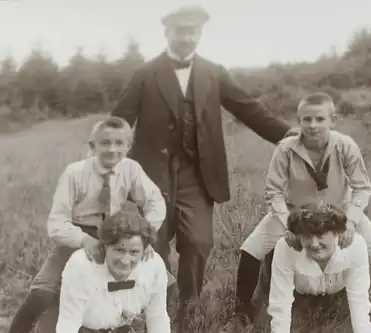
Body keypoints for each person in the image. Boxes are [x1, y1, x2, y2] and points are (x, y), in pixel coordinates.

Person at [110, 4, 292, 329]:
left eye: (192, 31)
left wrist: (291, 134)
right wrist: (106, 160)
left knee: (198, 242)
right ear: (168, 33)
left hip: (199, 175)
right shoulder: (146, 73)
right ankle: (158, 310)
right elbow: (120, 119)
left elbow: (248, 109)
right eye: (180, 31)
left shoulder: (213, 71)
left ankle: (188, 307)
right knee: (154, 241)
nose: (186, 37)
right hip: (152, 175)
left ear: (200, 34)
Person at [222, 92, 371, 332]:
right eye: (306, 119)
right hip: (295, 212)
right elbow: (273, 192)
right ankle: (241, 313)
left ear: (333, 120)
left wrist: (350, 222)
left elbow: (362, 188)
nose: (313, 126)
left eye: (320, 119)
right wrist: (288, 223)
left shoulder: (345, 146)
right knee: (251, 247)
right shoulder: (286, 149)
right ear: (298, 121)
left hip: (339, 212)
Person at [8, 116, 167, 333]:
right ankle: (16, 330)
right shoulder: (75, 173)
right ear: (93, 146)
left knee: (161, 280)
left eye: (119, 143)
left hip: (115, 234)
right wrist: (83, 240)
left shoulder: (131, 169)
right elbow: (57, 221)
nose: (112, 150)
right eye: (105, 143)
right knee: (44, 291)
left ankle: (127, 325)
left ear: (129, 147)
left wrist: (144, 236)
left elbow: (155, 203)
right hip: (78, 232)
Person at [55, 204, 171, 333]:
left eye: (134, 252)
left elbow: (158, 317)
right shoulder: (81, 266)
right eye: (119, 250)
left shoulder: (153, 265)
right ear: (105, 246)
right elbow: (68, 323)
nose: (125, 261)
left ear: (144, 250)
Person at [268, 203, 371, 333]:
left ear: (336, 233)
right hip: (302, 295)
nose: (314, 244)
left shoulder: (355, 246)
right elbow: (280, 303)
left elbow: (359, 303)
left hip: (338, 294)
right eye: (306, 236)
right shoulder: (285, 248)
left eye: (320, 235)